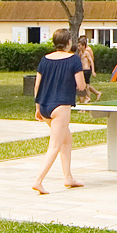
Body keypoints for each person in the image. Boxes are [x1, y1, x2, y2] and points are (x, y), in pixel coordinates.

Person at [31, 28, 87, 195]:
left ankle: (68, 177)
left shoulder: (45, 59)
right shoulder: (74, 59)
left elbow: (37, 85)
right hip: (61, 106)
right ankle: (38, 181)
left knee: (66, 139)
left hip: (45, 106)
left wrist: (37, 108)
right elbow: (82, 86)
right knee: (55, 145)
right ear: (69, 42)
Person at [77, 36, 103, 102]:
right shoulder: (81, 53)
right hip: (83, 70)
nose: (78, 47)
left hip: (87, 70)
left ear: (83, 45)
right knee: (86, 85)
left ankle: (87, 98)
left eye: (80, 46)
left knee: (86, 86)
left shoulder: (87, 51)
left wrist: (93, 71)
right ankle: (95, 94)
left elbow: (91, 61)